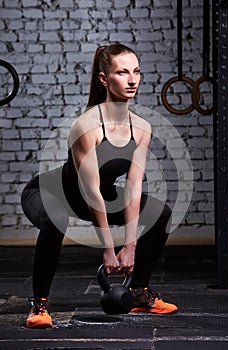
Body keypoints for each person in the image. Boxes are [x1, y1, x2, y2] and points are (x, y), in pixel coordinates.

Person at [21, 43, 178, 329]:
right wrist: (108, 247)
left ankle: (139, 292)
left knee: (162, 213)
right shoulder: (88, 126)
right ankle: (39, 304)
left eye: (136, 72)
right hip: (53, 192)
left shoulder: (141, 128)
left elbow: (132, 185)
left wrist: (130, 245)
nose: (132, 80)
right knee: (56, 219)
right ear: (104, 79)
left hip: (100, 197)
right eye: (122, 72)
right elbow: (90, 190)